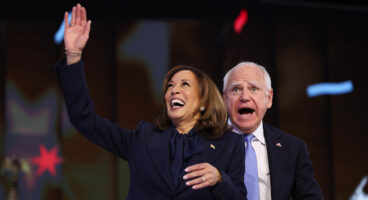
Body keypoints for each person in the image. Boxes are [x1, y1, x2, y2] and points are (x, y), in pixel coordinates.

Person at [55, 4, 246, 200]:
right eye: (170, 86)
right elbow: (84, 119)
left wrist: (220, 179)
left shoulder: (230, 144)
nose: (174, 90)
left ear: (203, 101)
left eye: (184, 84)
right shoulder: (144, 138)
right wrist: (73, 56)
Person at [222, 61, 324, 200]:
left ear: (269, 98)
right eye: (236, 89)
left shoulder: (293, 148)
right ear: (224, 99)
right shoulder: (203, 142)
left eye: (254, 89)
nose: (244, 97)